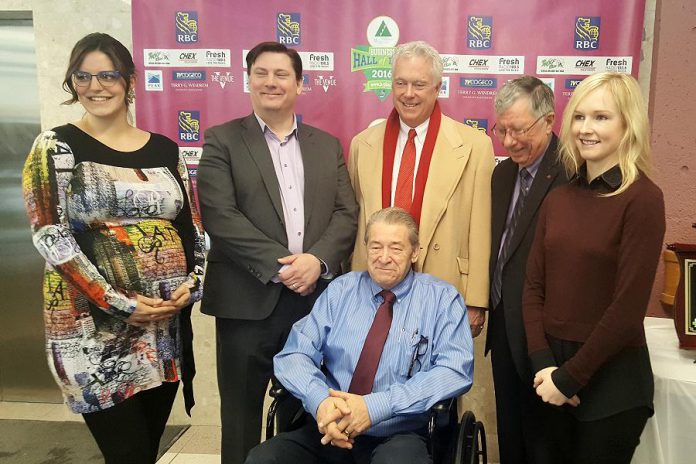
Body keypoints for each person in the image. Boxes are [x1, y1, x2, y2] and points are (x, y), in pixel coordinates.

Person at [22, 33, 205, 464]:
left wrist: (192, 284)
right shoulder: (56, 146)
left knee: (144, 450)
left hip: (161, 329)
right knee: (127, 453)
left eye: (107, 74)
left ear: (129, 80)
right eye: (82, 76)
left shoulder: (165, 149)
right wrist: (119, 302)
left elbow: (193, 226)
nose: (95, 85)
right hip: (91, 331)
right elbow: (51, 235)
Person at [196, 41, 358, 463]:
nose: (271, 82)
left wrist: (316, 261)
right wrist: (283, 266)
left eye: (282, 74)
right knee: (240, 419)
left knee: (310, 413)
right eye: (261, 73)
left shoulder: (326, 145)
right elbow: (220, 216)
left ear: (300, 84)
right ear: (247, 81)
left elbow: (347, 212)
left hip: (314, 303)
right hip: (246, 303)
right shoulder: (221, 141)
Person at [245, 207, 474, 464]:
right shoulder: (341, 290)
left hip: (399, 433)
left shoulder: (442, 299)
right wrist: (321, 402)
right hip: (330, 427)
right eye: (375, 247)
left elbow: (454, 370)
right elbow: (293, 354)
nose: (384, 257)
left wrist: (375, 407)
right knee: (263, 459)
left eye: (396, 248)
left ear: (415, 252)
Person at [522, 72, 666, 463]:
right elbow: (533, 288)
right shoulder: (559, 199)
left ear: (628, 124)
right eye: (580, 116)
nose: (586, 128)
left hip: (612, 385)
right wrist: (546, 368)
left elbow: (627, 309)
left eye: (601, 117)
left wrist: (569, 378)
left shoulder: (643, 200)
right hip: (550, 378)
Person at [349, 41, 494, 339]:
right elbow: (353, 221)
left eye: (419, 84)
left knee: (434, 381)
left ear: (438, 87)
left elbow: (481, 228)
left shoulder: (475, 146)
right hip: (373, 288)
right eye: (400, 83)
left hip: (443, 286)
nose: (408, 93)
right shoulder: (361, 144)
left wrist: (476, 300)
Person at [485, 76, 569, 464]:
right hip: (503, 326)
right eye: (502, 129)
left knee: (545, 442)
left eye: (518, 130)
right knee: (510, 433)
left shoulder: (572, 174)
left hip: (548, 336)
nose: (509, 140)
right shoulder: (502, 174)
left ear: (549, 120)